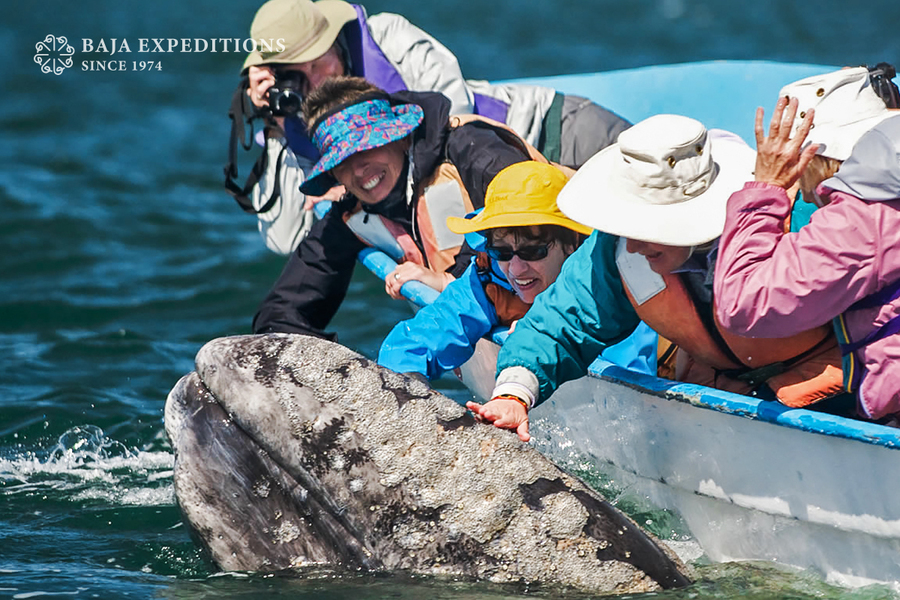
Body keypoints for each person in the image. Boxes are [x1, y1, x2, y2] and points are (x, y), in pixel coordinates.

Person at [470, 114, 846, 442]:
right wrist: (514, 394)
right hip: (724, 393)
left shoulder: (797, 224)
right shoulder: (615, 249)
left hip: (836, 394)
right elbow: (559, 323)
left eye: (649, 227)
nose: (632, 245)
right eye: (628, 223)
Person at [228, 0, 631, 254]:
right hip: (494, 202)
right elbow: (283, 241)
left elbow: (455, 124)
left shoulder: (389, 37)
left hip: (550, 130)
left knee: (662, 194)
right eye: (299, 74)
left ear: (335, 40)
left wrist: (352, 184)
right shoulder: (290, 118)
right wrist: (277, 127)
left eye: (320, 62)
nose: (316, 81)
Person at [251, 76, 546, 338]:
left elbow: (534, 220)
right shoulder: (354, 212)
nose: (358, 170)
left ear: (401, 137)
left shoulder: (473, 151)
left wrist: (448, 281)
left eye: (368, 147)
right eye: (341, 162)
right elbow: (284, 309)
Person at [715, 69, 900, 422]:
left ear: (814, 158)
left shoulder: (863, 217)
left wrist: (766, 187)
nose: (804, 190)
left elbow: (745, 305)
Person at [377, 161, 657, 381]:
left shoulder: (609, 280)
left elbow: (630, 377)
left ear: (572, 243)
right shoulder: (488, 279)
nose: (516, 268)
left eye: (533, 251)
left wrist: (537, 344)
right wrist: (406, 388)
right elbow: (414, 341)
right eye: (502, 252)